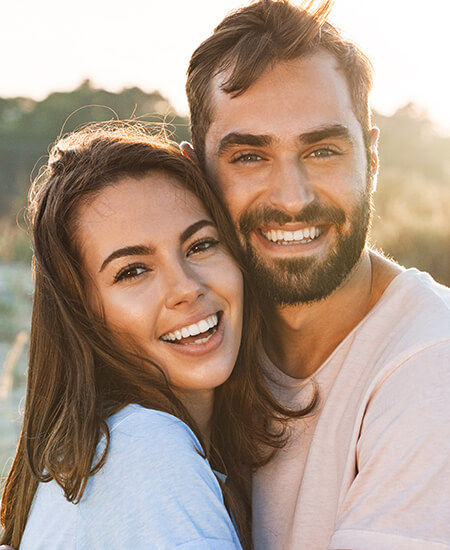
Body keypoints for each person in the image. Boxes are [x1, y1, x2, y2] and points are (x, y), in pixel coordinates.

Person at [183, 1, 450, 548]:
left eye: (322, 150)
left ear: (371, 159)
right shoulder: (197, 341)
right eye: (250, 157)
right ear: (196, 176)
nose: (292, 199)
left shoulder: (433, 368)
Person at [0, 123, 309, 549]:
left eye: (200, 245)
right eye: (133, 271)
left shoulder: (107, 448)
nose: (185, 287)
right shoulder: (143, 450)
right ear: (83, 314)